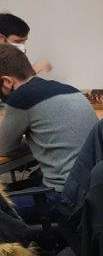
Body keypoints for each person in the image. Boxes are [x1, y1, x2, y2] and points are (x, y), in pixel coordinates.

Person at [0, 45, 97, 223]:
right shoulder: (68, 88)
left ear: (6, 81)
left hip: (63, 197)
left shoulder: (21, 98)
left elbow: (4, 147)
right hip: (91, 189)